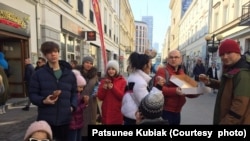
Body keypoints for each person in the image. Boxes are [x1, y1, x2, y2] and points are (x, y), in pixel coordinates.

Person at [29, 41, 78, 141]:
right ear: (45, 55)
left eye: (55, 51)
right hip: (46, 120)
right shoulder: (38, 74)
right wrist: (43, 100)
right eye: (49, 52)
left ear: (58, 52)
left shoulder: (69, 74)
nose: (53, 54)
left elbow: (74, 93)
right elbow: (32, 95)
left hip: (65, 119)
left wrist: (72, 106)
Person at [199, 39, 250, 124]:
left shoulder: (243, 73)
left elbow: (239, 106)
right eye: (222, 54)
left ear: (238, 52)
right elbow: (228, 87)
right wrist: (210, 82)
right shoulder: (233, 67)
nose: (225, 56)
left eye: (229, 53)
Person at [154, 50, 199, 125]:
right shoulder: (162, 71)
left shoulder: (181, 72)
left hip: (177, 112)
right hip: (165, 111)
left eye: (176, 57)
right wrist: (175, 91)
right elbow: (158, 89)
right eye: (171, 57)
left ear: (181, 59)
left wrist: (197, 92)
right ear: (168, 59)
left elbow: (187, 92)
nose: (173, 59)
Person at [121, 51, 165, 125]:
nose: (151, 66)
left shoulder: (134, 77)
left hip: (131, 116)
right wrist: (158, 87)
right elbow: (148, 104)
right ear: (145, 66)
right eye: (150, 64)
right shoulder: (139, 82)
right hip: (135, 119)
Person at [97, 60, 127, 124]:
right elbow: (100, 97)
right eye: (109, 69)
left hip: (116, 111)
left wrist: (113, 88)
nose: (111, 71)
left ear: (117, 70)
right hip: (106, 110)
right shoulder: (103, 81)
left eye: (113, 69)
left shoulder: (122, 81)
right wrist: (104, 89)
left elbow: (121, 96)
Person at [75, 56, 98, 138]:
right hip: (79, 101)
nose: (89, 65)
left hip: (91, 102)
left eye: (91, 63)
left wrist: (95, 93)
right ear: (83, 63)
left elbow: (96, 86)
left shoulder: (94, 75)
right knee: (79, 121)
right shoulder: (77, 74)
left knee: (90, 121)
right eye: (87, 62)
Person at [69, 69, 89, 141]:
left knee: (77, 137)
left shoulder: (78, 94)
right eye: (80, 87)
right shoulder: (73, 95)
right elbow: (75, 108)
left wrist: (82, 100)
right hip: (73, 122)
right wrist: (84, 105)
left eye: (82, 87)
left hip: (77, 121)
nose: (81, 89)